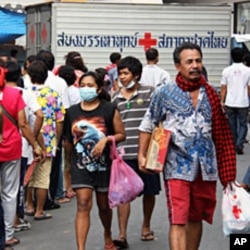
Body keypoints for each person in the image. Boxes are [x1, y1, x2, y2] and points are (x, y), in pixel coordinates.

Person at [138, 42, 237, 250]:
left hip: (205, 168)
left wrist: (228, 173)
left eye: (198, 61)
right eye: (189, 61)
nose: (195, 65)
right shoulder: (163, 93)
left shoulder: (210, 93)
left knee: (196, 217)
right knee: (178, 218)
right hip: (176, 166)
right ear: (178, 66)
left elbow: (222, 135)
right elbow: (148, 124)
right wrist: (142, 154)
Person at [63, 71, 125, 250]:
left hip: (104, 166)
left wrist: (106, 139)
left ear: (98, 89)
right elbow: (68, 142)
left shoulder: (109, 109)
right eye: (82, 85)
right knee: (83, 203)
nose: (85, 89)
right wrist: (68, 169)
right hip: (80, 165)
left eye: (90, 86)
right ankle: (80, 247)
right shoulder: (72, 112)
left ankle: (107, 234)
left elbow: (121, 134)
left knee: (104, 206)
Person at [111, 56, 161, 248]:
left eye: (126, 73)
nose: (122, 77)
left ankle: (146, 226)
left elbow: (158, 120)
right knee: (123, 195)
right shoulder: (115, 96)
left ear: (136, 75)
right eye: (120, 73)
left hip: (147, 153)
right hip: (124, 154)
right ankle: (122, 234)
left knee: (150, 192)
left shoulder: (150, 93)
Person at [0, 65, 42, 247]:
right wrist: (35, 145)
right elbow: (23, 124)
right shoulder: (14, 95)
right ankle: (8, 233)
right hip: (11, 149)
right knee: (9, 193)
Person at [25, 60, 65, 220]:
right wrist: (57, 139)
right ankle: (39, 210)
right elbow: (60, 119)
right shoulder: (53, 94)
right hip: (48, 140)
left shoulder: (25, 93)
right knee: (43, 177)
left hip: (29, 140)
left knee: (29, 175)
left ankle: (28, 205)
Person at [220, 47, 250, 154]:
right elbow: (249, 88)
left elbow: (224, 87)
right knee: (243, 125)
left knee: (231, 125)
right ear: (243, 57)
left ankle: (233, 144)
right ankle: (239, 143)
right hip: (243, 102)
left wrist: (222, 101)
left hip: (230, 102)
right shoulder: (248, 71)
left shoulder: (226, 71)